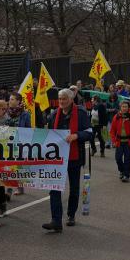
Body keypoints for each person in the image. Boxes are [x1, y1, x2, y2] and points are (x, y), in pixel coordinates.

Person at [43, 88, 92, 232]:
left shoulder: (81, 113)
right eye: (59, 99)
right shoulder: (53, 115)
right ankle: (56, 220)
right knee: (54, 188)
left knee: (74, 188)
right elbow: (49, 134)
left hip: (74, 157)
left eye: (64, 99)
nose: (61, 102)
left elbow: (89, 132)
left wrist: (76, 135)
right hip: (57, 158)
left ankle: (71, 215)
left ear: (71, 100)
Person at [110, 100, 130, 182]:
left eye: (126, 106)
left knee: (127, 159)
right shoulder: (116, 117)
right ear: (120, 107)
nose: (124, 108)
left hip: (129, 141)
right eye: (123, 106)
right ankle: (122, 171)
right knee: (118, 158)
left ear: (128, 108)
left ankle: (126, 175)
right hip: (119, 141)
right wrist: (113, 141)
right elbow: (112, 131)